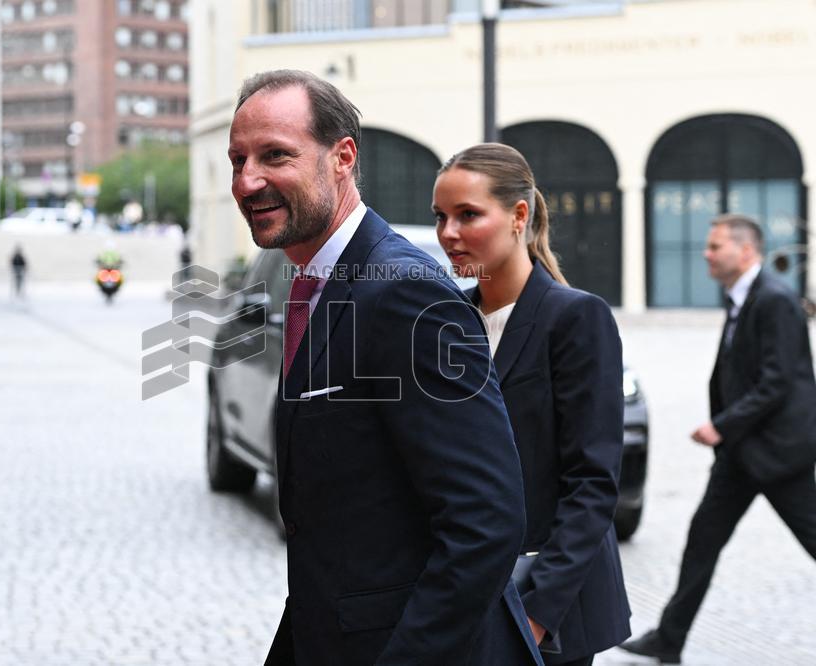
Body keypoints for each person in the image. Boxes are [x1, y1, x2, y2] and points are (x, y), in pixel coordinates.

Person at [229, 70, 542, 665]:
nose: (249, 180)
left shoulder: (403, 293)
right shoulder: (318, 284)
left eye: (275, 155)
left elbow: (487, 522)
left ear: (342, 157)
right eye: (238, 159)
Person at [433, 143, 631, 666]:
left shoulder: (575, 318)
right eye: (441, 217)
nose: (448, 233)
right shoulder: (444, 322)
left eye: (468, 215)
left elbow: (592, 483)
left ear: (519, 216)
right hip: (460, 598)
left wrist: (537, 615)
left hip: (547, 609)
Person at [620, 214, 816, 664]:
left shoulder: (775, 300)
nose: (705, 254)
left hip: (777, 453)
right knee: (702, 540)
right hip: (741, 456)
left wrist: (721, 424)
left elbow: (777, 381)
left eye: (715, 247)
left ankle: (668, 638)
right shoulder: (744, 298)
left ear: (745, 251)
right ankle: (669, 640)